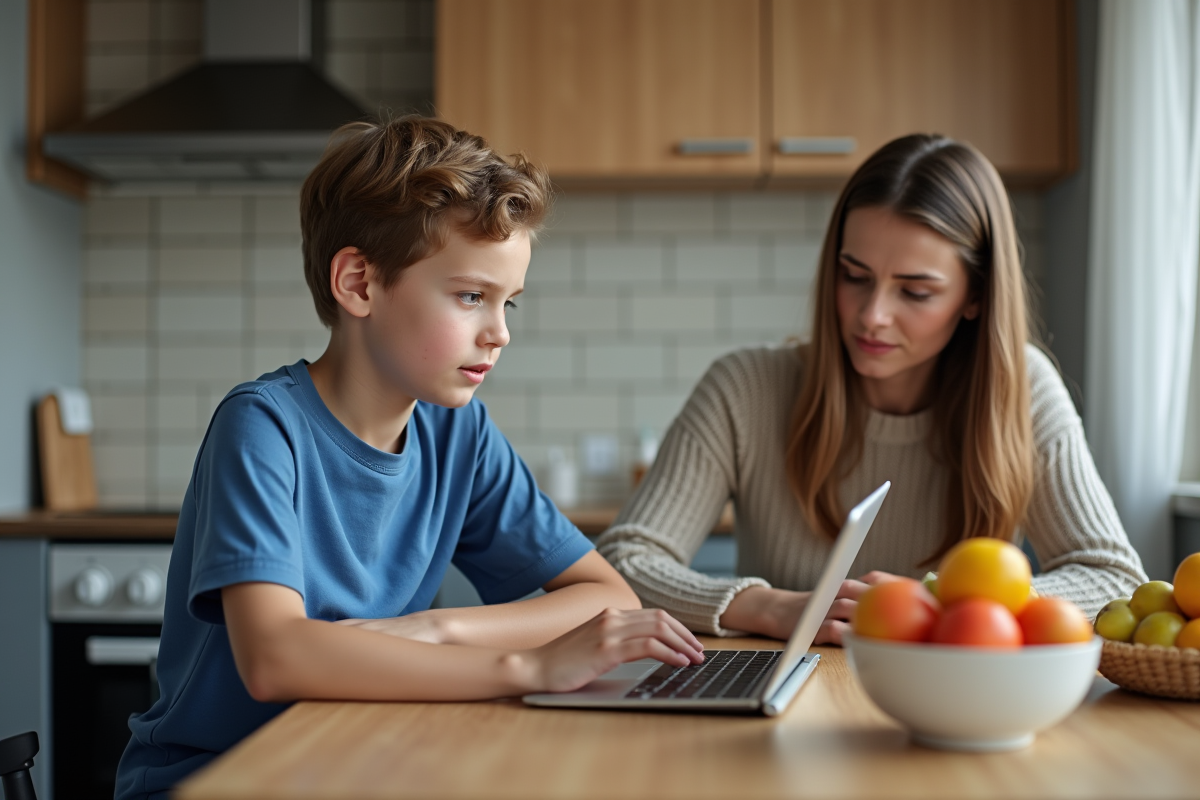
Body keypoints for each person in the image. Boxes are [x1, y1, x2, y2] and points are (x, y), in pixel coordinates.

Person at [115, 117, 703, 800]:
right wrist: (526, 666)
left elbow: (604, 596)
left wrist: (434, 628)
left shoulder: (459, 433)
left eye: (508, 301)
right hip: (221, 778)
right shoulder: (263, 426)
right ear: (359, 283)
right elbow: (275, 658)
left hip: (358, 759)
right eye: (470, 296)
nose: (501, 332)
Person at [597, 134, 1148, 644]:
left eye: (915, 291)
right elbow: (623, 561)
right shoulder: (745, 388)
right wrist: (770, 607)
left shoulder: (1023, 390)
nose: (872, 316)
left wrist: (949, 606)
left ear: (974, 298)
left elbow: (1116, 581)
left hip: (955, 705)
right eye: (854, 276)